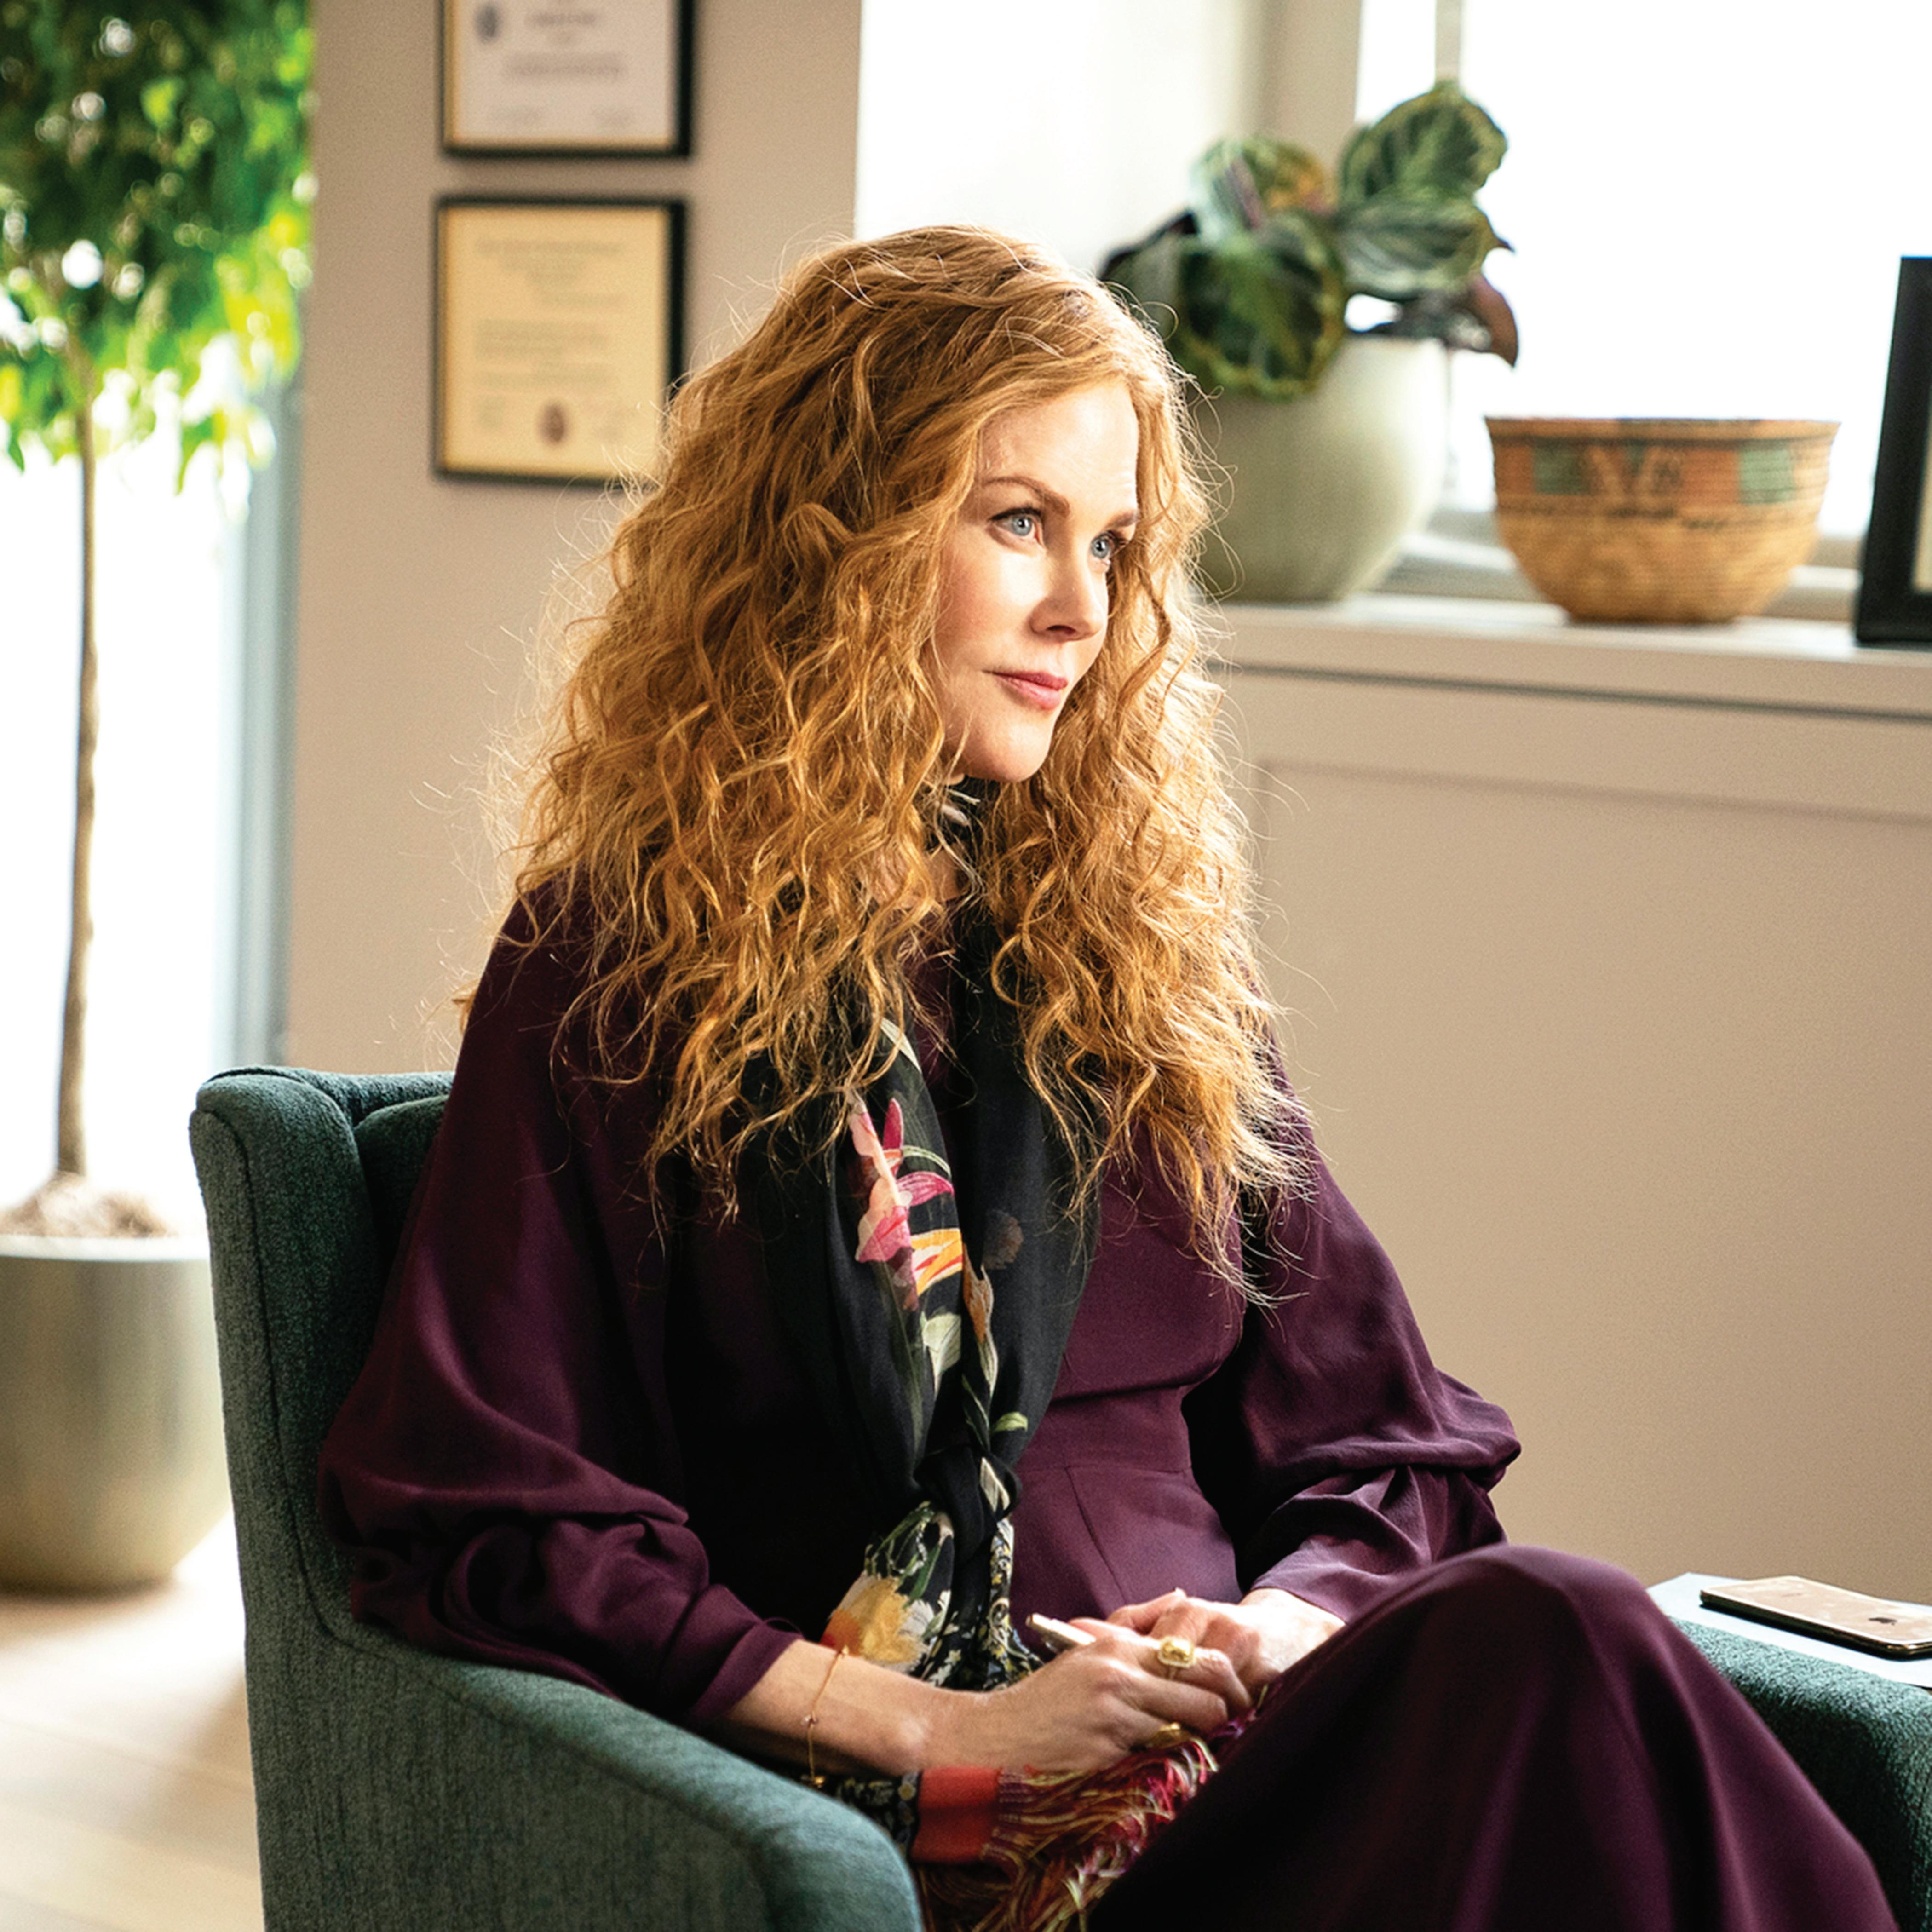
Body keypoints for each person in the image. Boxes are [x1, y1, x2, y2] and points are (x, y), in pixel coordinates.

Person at [318, 228, 1897, 1931]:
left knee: (1569, 1664)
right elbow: (495, 1514)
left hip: (1238, 1784)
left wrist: (1274, 1626)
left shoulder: (1135, 969)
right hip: (962, 1847)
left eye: (1116, 544)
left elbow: (1386, 1442)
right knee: (1563, 1634)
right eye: (1018, 522)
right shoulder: (619, 966)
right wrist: (953, 1733)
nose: (1084, 609)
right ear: (837, 537)